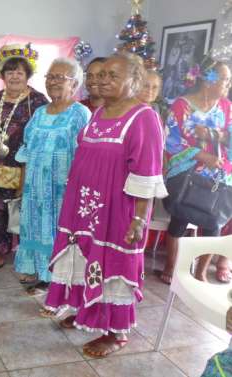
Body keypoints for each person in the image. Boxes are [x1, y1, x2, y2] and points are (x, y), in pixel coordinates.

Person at [40, 52, 167, 358]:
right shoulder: (98, 112)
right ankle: (88, 310)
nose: (102, 80)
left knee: (114, 265)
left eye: (113, 75)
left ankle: (117, 332)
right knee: (85, 258)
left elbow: (146, 174)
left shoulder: (143, 117)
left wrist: (138, 220)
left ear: (134, 81)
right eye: (99, 75)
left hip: (117, 212)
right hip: (83, 207)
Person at [14, 57, 91, 290]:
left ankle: (58, 280)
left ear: (75, 84)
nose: (53, 82)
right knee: (36, 227)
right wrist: (22, 185)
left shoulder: (81, 114)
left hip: (63, 190)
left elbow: (86, 157)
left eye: (61, 77)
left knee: (59, 231)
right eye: (50, 77)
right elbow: (26, 151)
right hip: (34, 188)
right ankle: (40, 272)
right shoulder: (38, 113)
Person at [160, 56, 232, 284]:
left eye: (229, 81)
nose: (228, 85)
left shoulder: (227, 107)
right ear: (208, 79)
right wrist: (200, 155)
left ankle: (200, 272)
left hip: (218, 173)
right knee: (179, 219)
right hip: (187, 169)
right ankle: (171, 268)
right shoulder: (181, 105)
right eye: (224, 79)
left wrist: (212, 136)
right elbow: (171, 140)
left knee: (214, 223)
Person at [0, 44, 48, 276]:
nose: (15, 75)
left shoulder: (38, 101)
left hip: (26, 168)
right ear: (2, 76)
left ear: (28, 75)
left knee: (26, 211)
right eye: (10, 71)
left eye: (20, 71)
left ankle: (30, 257)